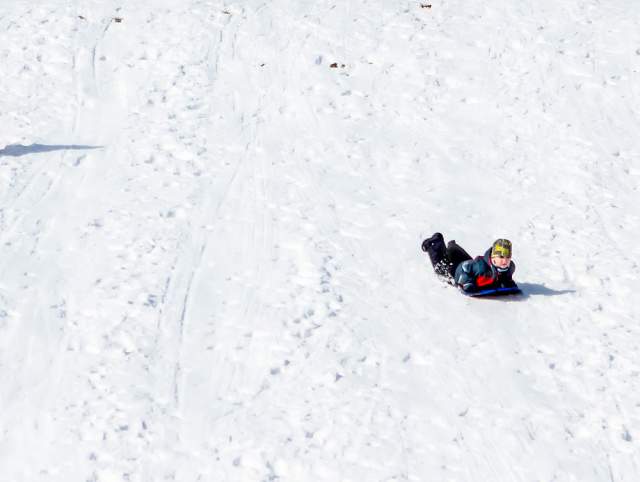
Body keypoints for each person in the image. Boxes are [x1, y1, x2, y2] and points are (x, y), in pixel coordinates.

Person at [421, 233, 517, 293]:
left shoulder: (510, 266)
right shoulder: (481, 268)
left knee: (457, 255)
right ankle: (434, 244)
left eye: (507, 257)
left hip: (469, 264)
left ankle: (452, 248)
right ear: (493, 257)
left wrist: (507, 282)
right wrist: (466, 283)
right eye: (501, 257)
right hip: (458, 270)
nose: (505, 261)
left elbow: (505, 276)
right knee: (441, 270)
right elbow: (464, 269)